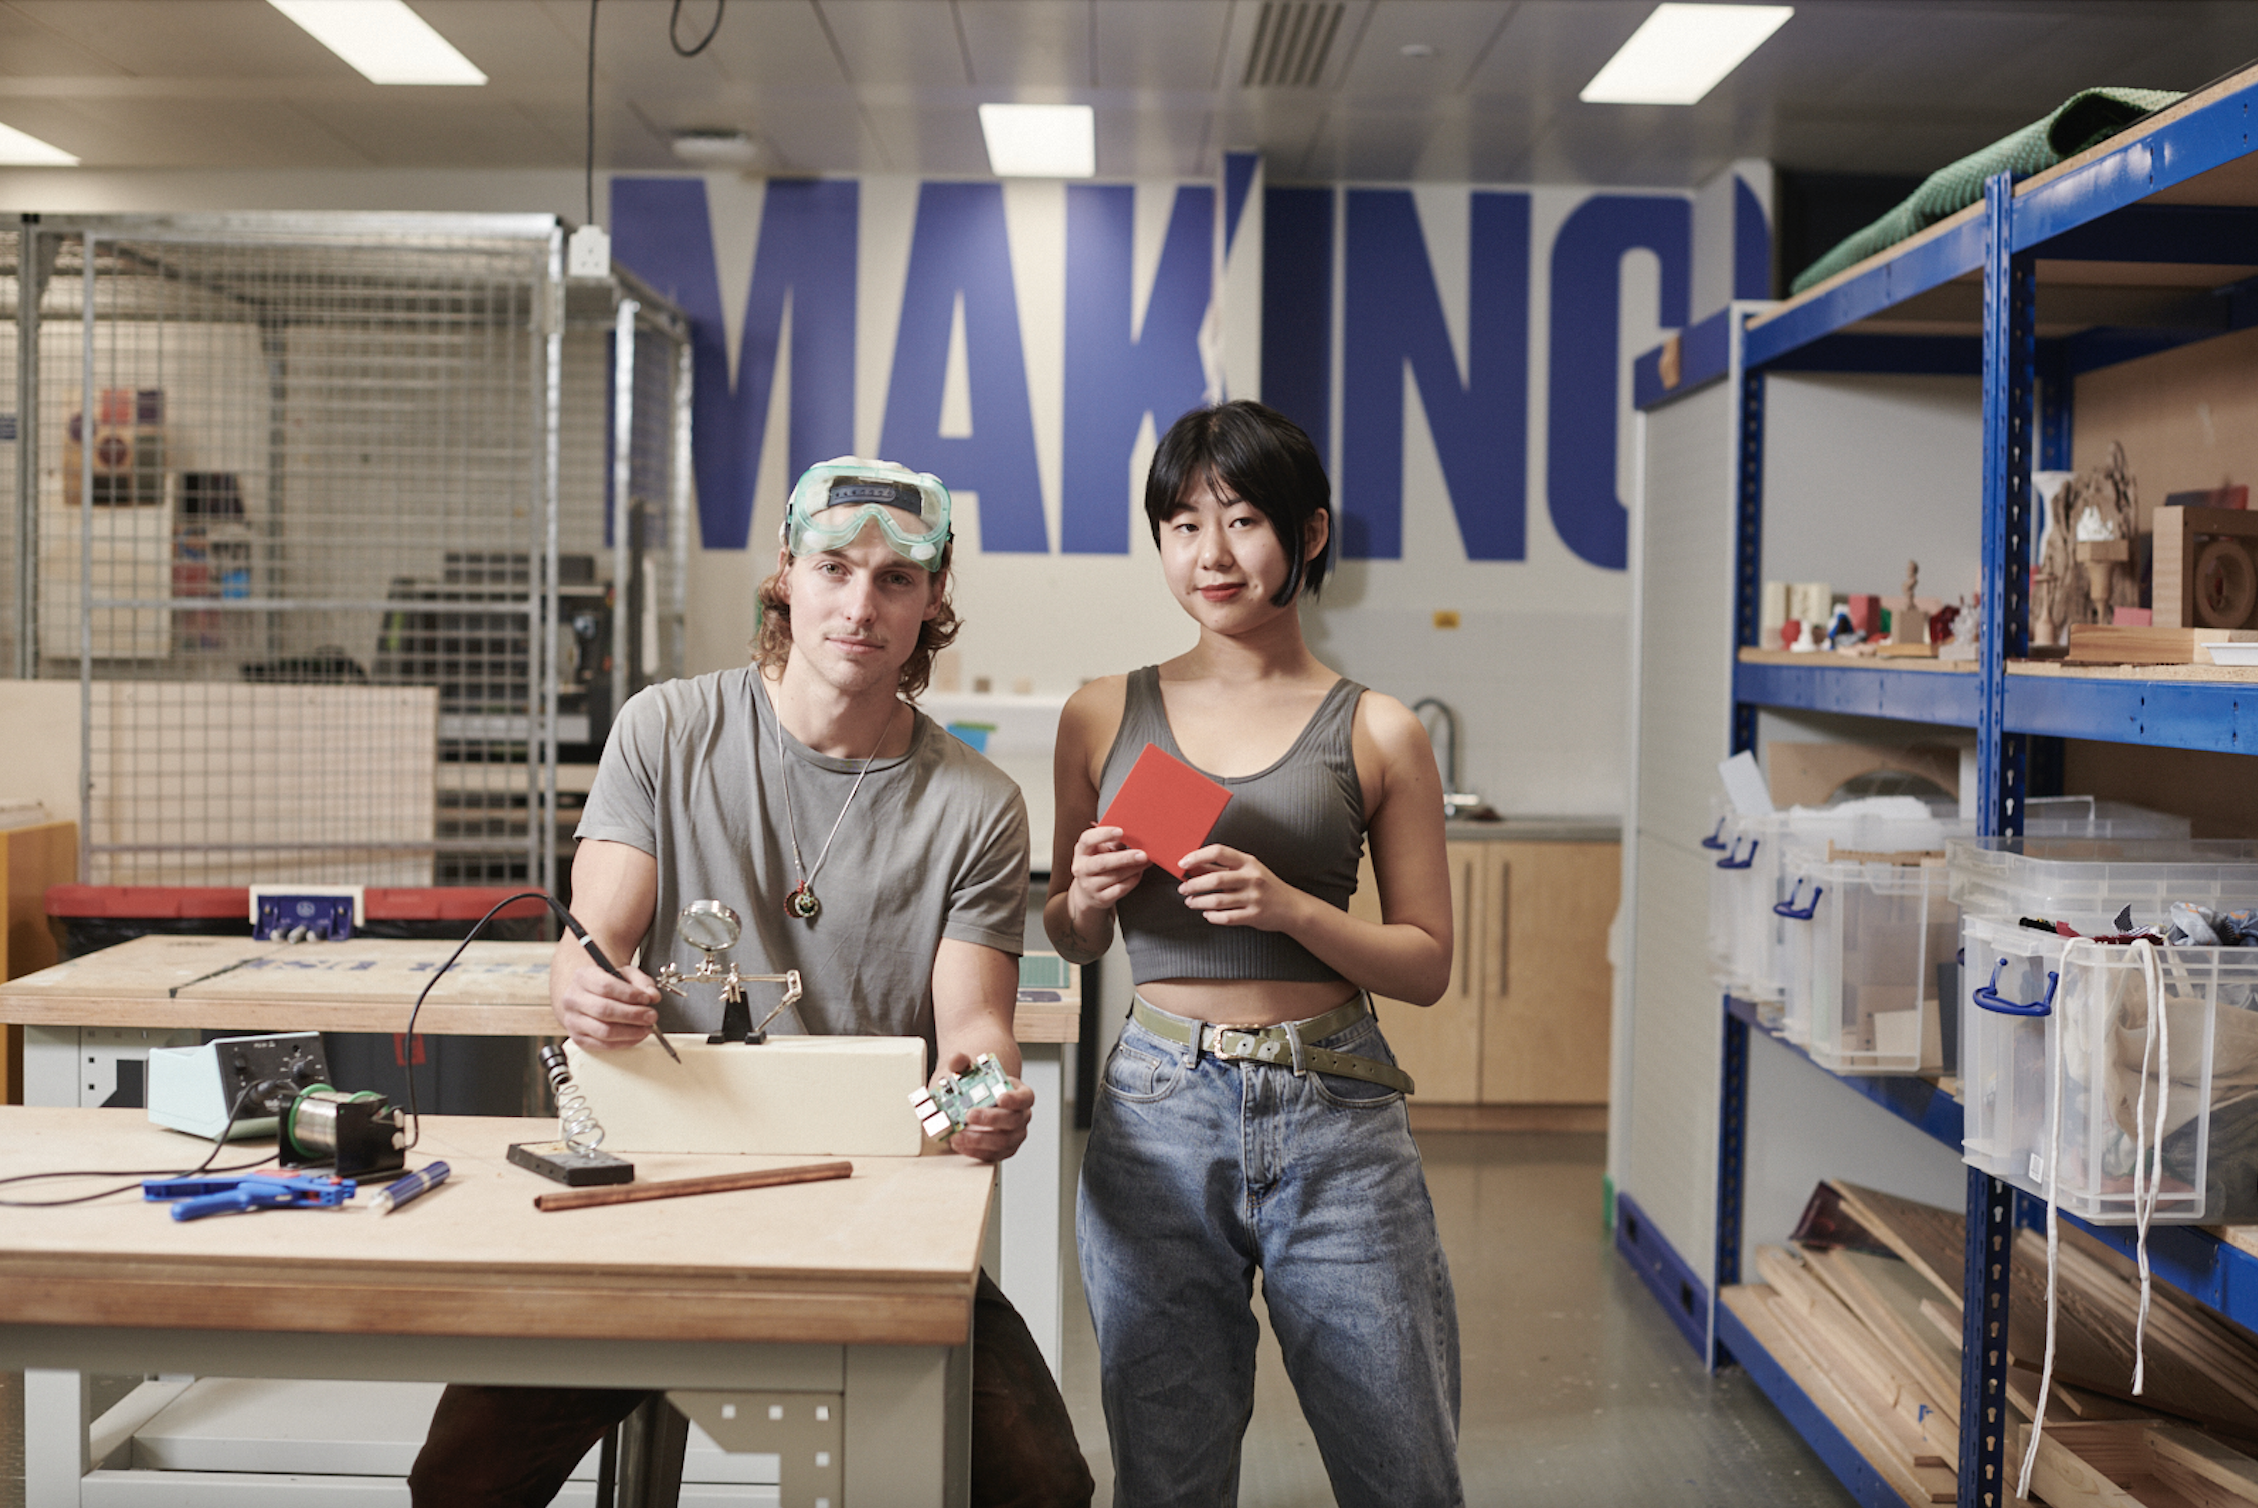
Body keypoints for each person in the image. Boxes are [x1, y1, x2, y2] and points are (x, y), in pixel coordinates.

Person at [409, 456, 1093, 1508]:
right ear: (785, 573)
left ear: (933, 598)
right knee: (460, 1477)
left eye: (895, 580)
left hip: (868, 1200)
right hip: (645, 1194)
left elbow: (975, 1025)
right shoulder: (667, 730)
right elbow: (597, 936)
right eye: (833, 567)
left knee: (1040, 1484)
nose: (859, 605)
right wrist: (579, 979)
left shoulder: (978, 803)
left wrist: (984, 1088)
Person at [1046, 400, 1464, 1507]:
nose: (1209, 555)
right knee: (1166, 1469)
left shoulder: (1375, 728)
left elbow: (1423, 962)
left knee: (1402, 1466)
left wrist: (1290, 906)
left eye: (1239, 520)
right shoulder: (1099, 714)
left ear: (1309, 535)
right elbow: (1068, 935)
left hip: (1333, 1104)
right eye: (1181, 525)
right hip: (1155, 1105)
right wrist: (1084, 897)